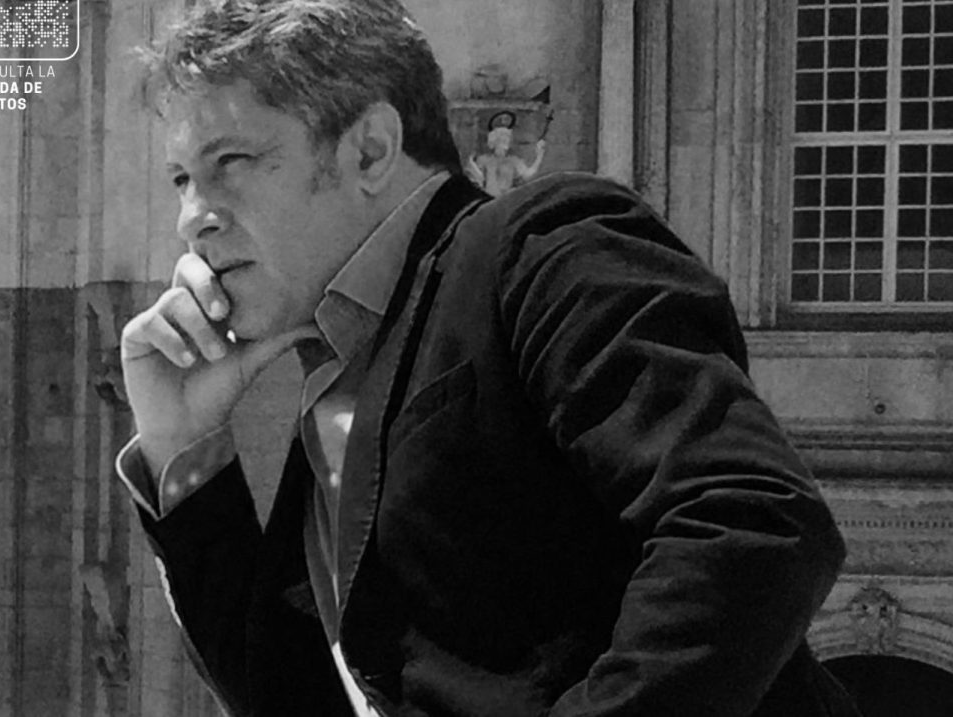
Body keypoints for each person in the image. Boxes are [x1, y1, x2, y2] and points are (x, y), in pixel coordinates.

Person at [115, 1, 861, 715]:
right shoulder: (336, 374)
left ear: (369, 149)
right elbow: (289, 696)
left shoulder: (541, 246)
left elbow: (749, 523)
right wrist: (183, 443)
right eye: (181, 180)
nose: (191, 220)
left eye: (230, 161)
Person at [465, 111, 546, 196]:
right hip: (488, 199)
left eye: (507, 138)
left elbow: (527, 175)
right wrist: (470, 162)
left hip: (506, 200)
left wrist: (539, 155)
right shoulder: (483, 160)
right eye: (502, 138)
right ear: (494, 140)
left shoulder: (514, 161)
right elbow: (477, 179)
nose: (505, 142)